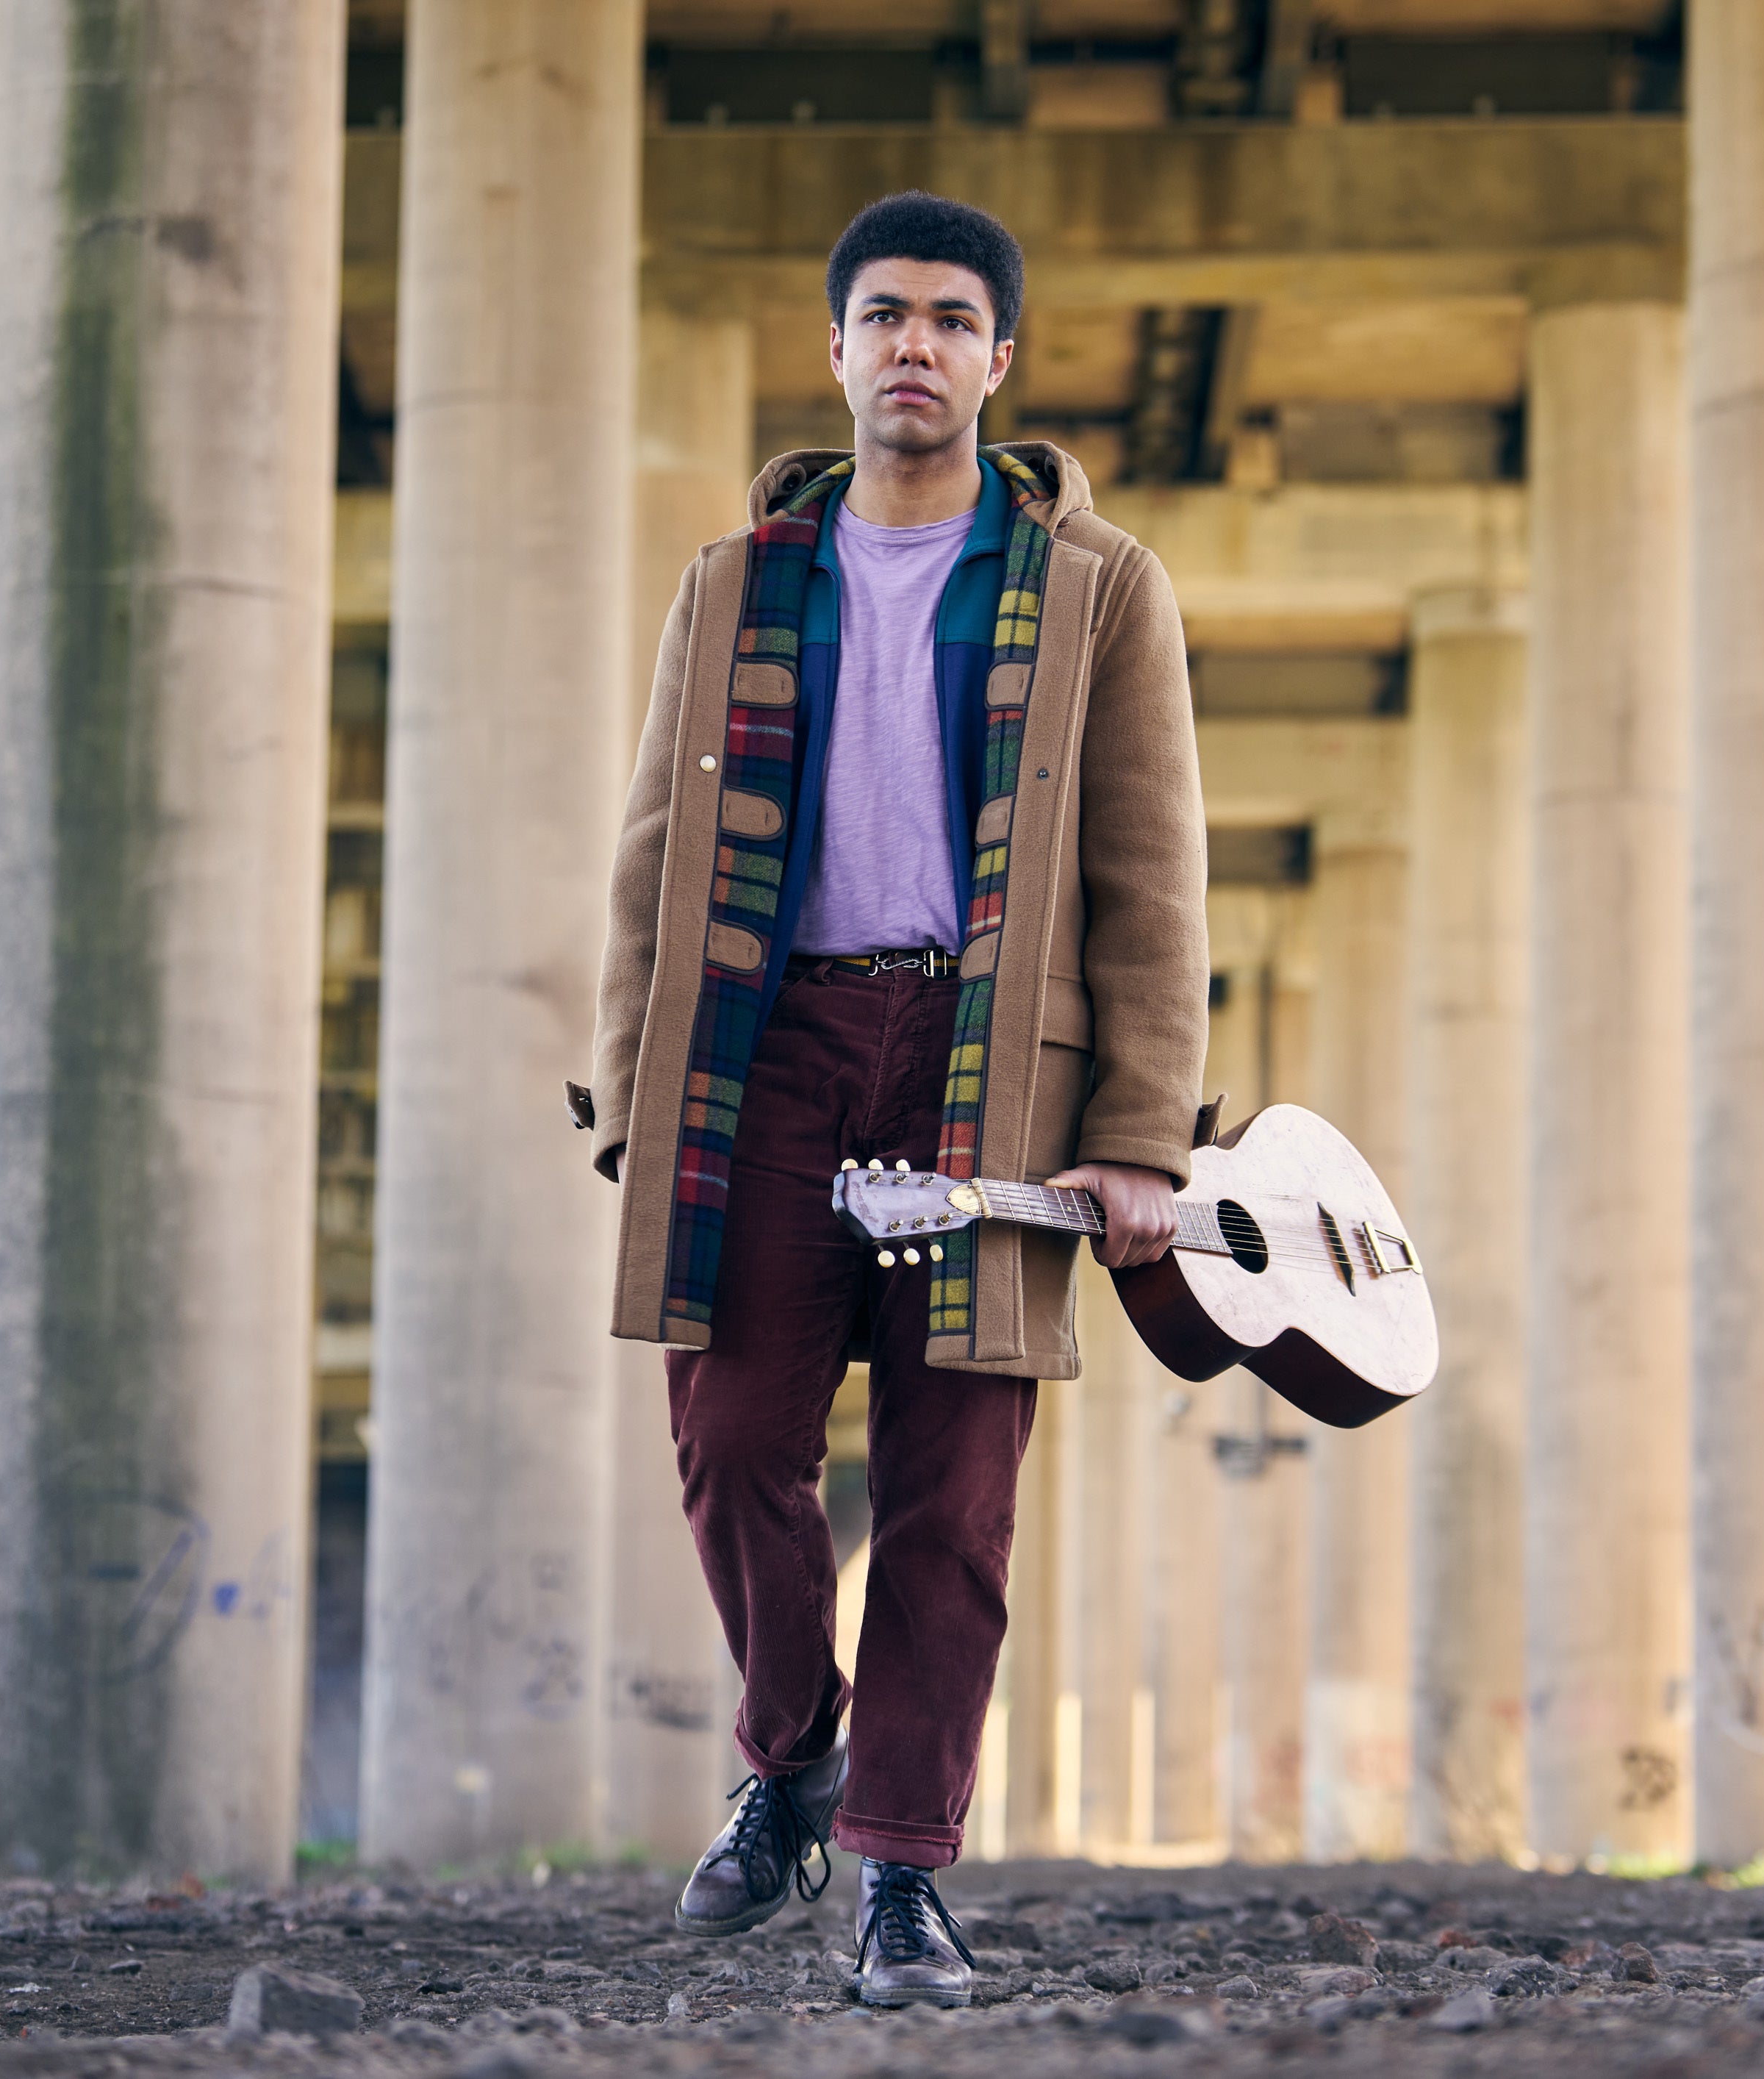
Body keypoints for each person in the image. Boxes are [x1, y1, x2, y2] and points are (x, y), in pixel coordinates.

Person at [577, 190, 1208, 2008]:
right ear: (839, 350)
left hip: (990, 1062)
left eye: (951, 318)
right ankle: (797, 1755)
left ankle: (901, 1880)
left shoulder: (1096, 588)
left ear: (1000, 362)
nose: (915, 343)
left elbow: (1152, 872)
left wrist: (1139, 1132)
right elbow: (651, 864)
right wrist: (636, 1088)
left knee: (956, 1482)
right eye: (885, 315)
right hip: (772, 1050)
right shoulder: (735, 583)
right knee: (730, 1430)